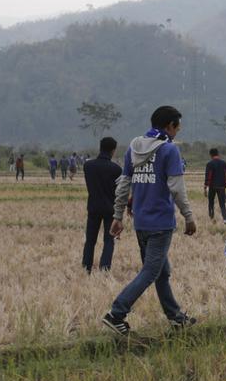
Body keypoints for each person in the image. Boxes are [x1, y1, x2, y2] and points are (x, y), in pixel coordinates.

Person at [101, 106, 197, 335]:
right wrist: (189, 216)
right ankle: (116, 313)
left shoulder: (134, 147)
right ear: (169, 126)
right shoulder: (169, 150)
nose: (178, 131)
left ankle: (175, 317)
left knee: (161, 272)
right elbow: (177, 188)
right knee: (151, 271)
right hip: (161, 223)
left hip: (141, 222)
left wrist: (118, 216)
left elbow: (123, 184)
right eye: (177, 127)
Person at [82, 137, 122, 272]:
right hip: (110, 209)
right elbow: (119, 191)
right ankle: (104, 269)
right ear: (113, 150)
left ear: (100, 148)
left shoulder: (88, 166)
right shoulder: (116, 169)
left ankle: (86, 268)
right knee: (109, 240)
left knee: (90, 240)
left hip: (93, 207)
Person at [203, 147, 226, 223]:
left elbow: (208, 176)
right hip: (222, 187)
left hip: (212, 186)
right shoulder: (224, 163)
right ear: (218, 154)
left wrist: (205, 187)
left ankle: (211, 218)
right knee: (222, 204)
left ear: (211, 155)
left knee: (211, 202)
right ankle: (225, 219)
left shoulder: (209, 164)